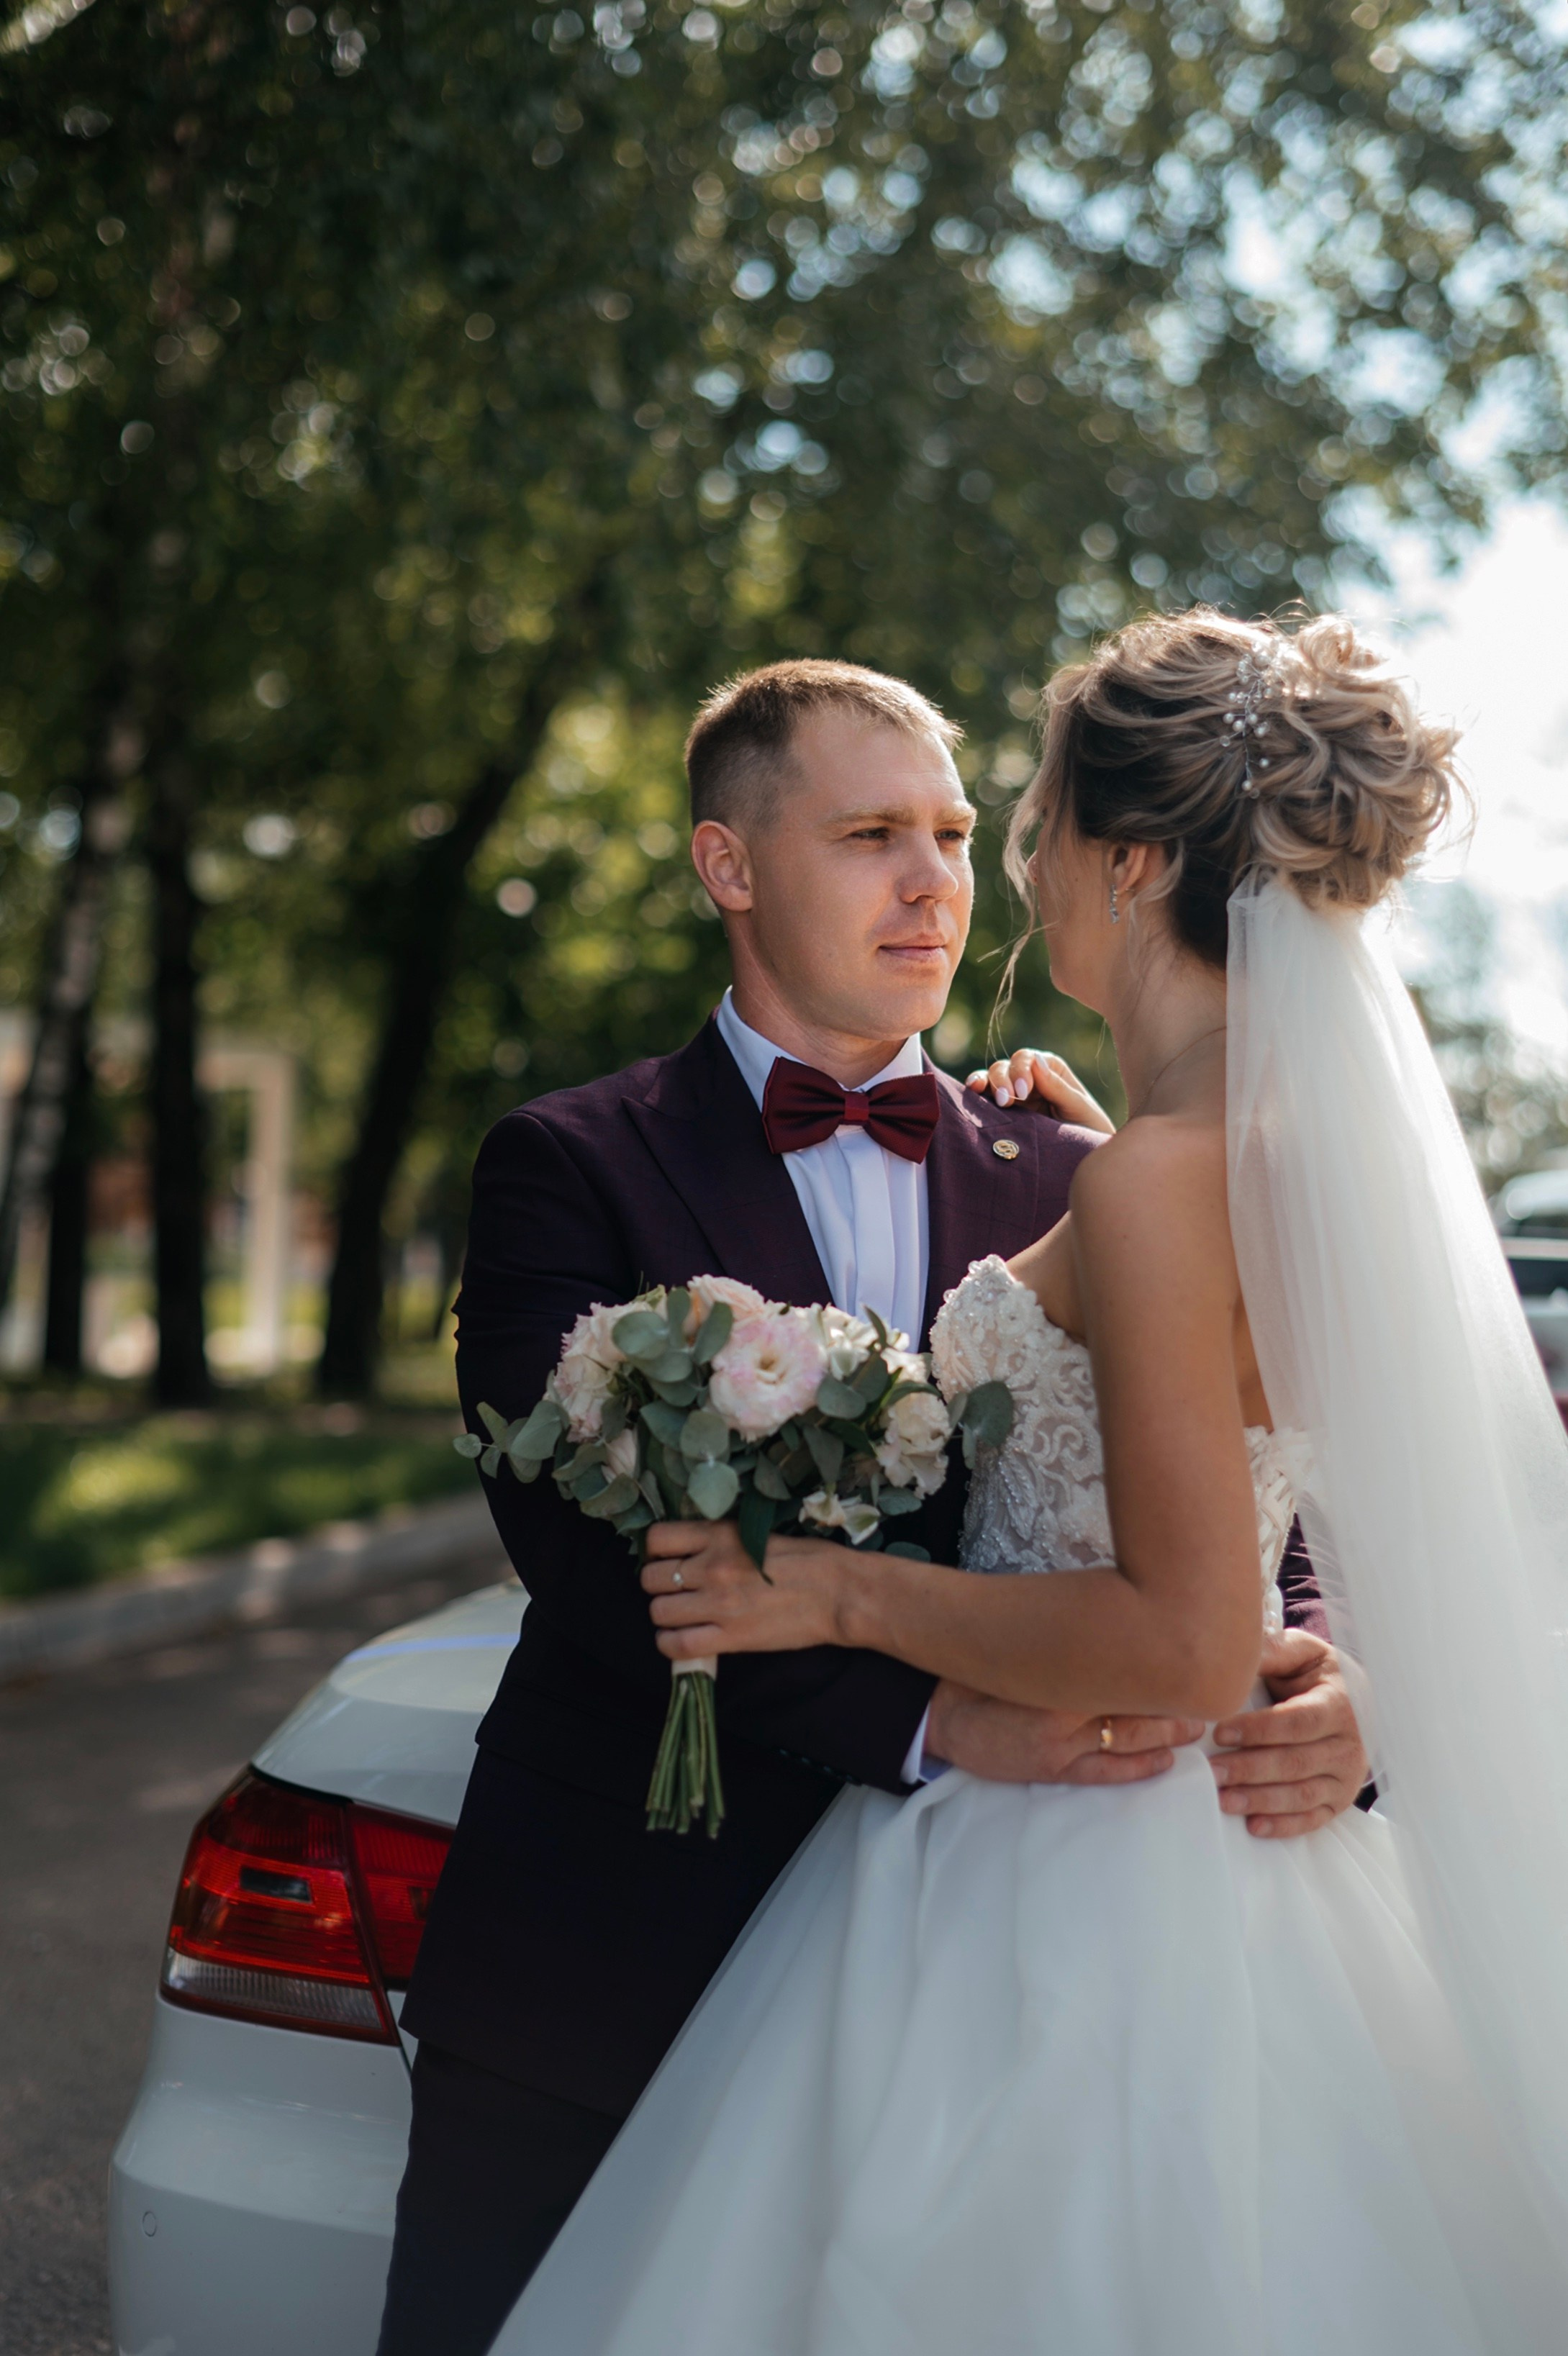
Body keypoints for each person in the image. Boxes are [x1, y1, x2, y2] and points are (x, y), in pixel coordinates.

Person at [492, 611, 1568, 2356]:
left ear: (1130, 861)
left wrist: (834, 1589)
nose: (993, 871)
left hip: (1067, 1895)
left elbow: (1202, 1612)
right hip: (1089, 1882)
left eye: (1017, 824)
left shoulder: (1136, 1175)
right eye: (880, 833)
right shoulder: (1229, 1157)